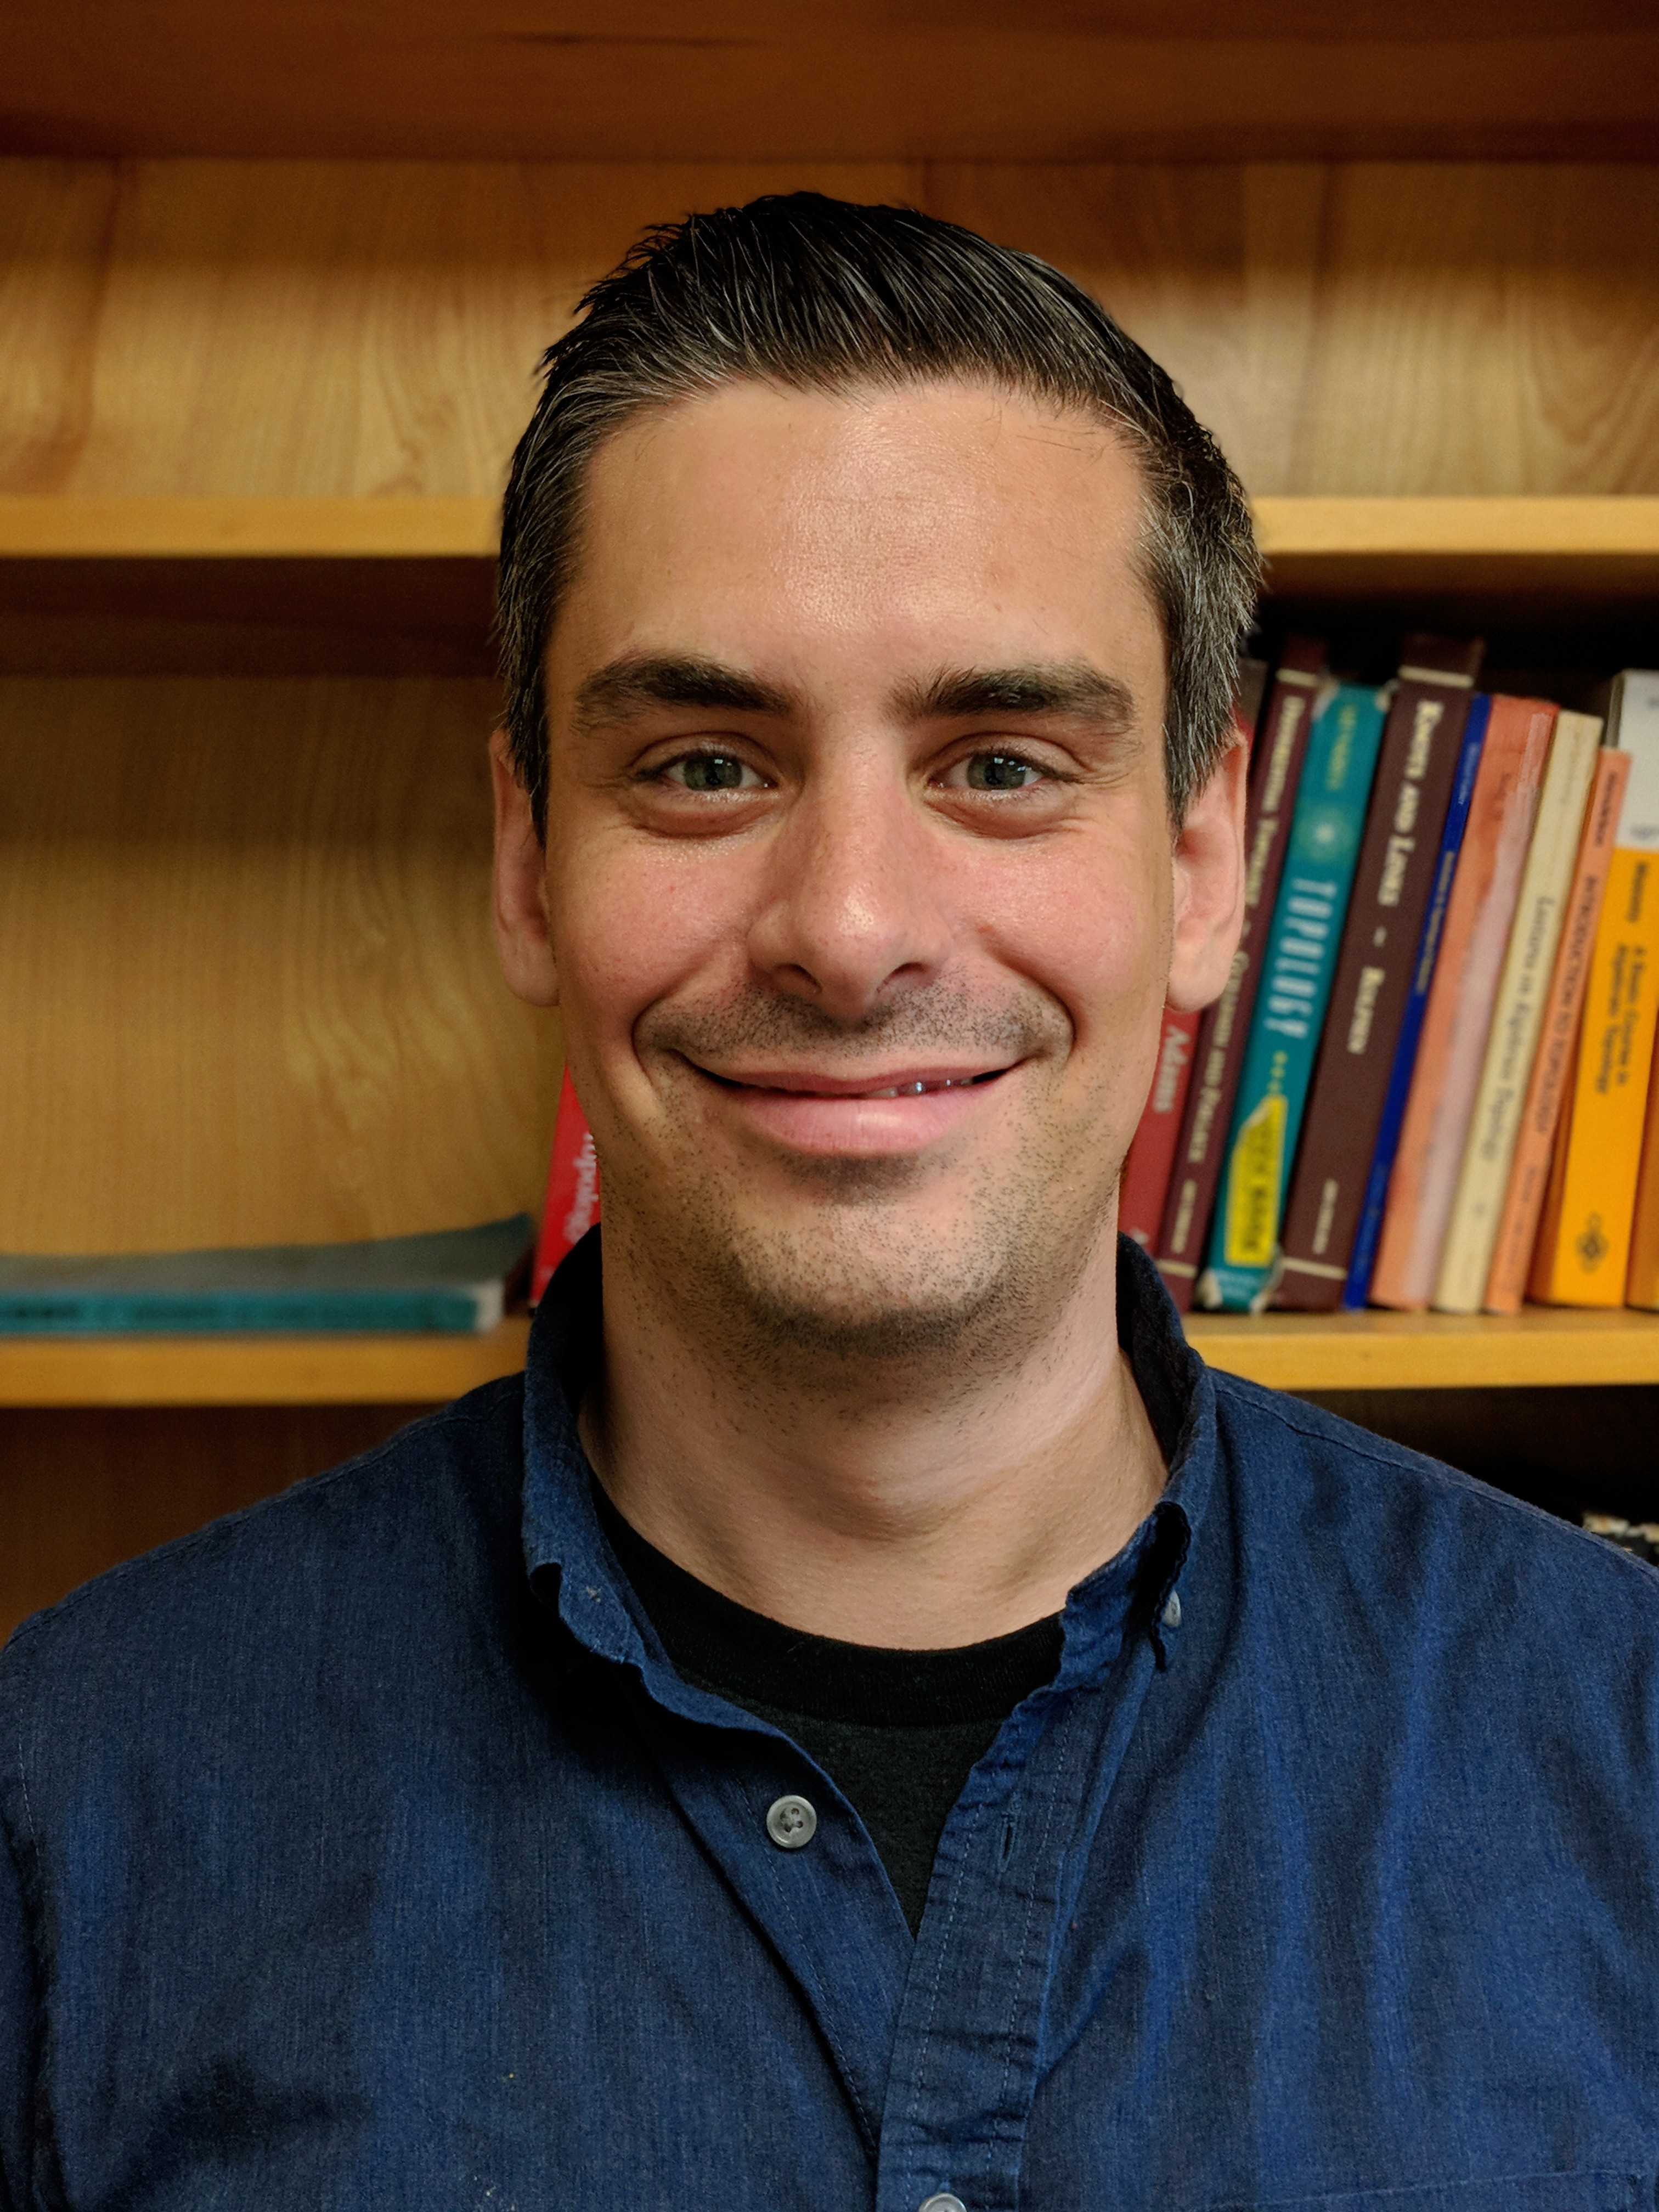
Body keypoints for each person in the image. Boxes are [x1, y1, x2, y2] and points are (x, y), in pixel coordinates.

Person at [2, 194, 1656, 2211]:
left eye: (1003, 763)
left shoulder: (1626, 1738)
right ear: (527, 860)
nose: (852, 931)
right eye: (705, 766)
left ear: (1208, 862)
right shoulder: (69, 1804)